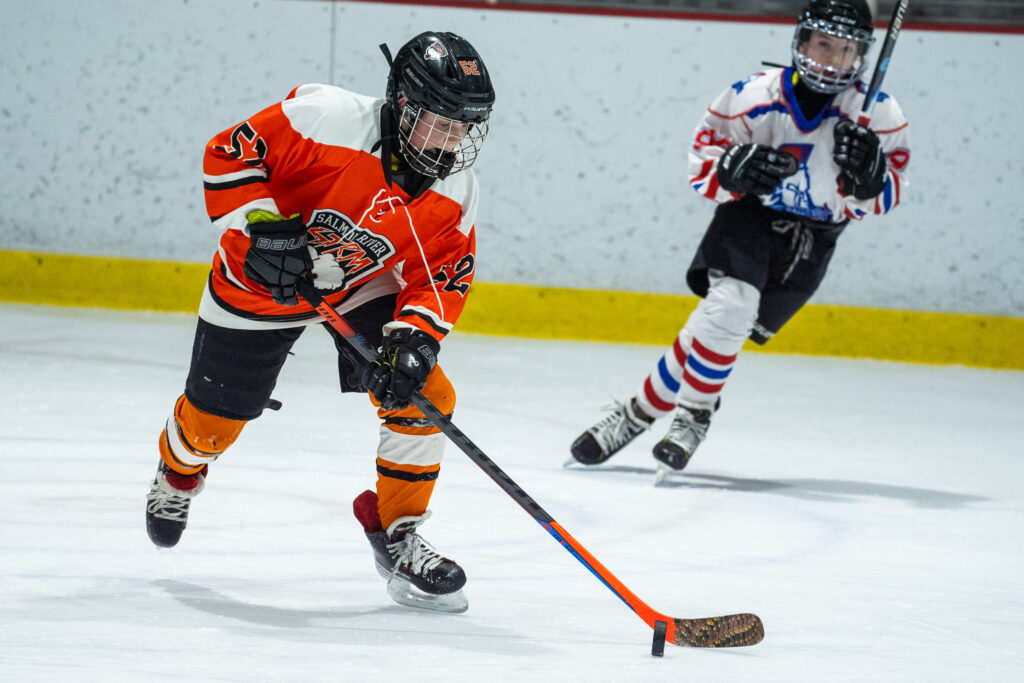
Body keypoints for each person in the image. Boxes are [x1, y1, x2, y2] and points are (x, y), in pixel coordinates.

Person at [145, 31, 495, 613]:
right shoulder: (327, 119)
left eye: (465, 126)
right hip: (258, 281)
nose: (453, 140)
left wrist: (416, 339)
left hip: (358, 286)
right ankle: (179, 472)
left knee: (423, 392)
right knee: (211, 427)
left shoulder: (455, 189)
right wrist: (260, 225)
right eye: (443, 121)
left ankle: (399, 533)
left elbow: (440, 276)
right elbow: (230, 151)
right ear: (403, 104)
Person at [570, 0, 909, 478]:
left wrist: (871, 179)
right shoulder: (752, 96)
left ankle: (636, 413)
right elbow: (702, 167)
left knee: (717, 329)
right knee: (729, 308)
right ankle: (693, 417)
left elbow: (886, 195)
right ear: (802, 41)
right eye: (824, 44)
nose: (833, 59)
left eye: (847, 50)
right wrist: (730, 170)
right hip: (748, 218)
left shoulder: (879, 113)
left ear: (862, 57)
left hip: (813, 239)